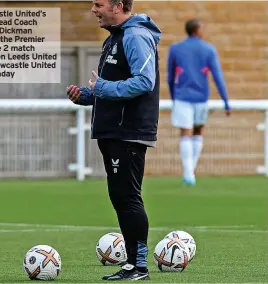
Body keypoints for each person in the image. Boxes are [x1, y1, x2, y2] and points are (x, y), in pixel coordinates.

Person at [67, 0, 161, 281]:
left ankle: (139, 266)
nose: (93, 10)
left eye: (98, 4)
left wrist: (103, 88)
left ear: (118, 5)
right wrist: (86, 95)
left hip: (128, 131)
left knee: (128, 197)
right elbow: (109, 88)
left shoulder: (135, 36)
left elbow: (145, 81)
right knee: (120, 196)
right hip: (113, 131)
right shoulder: (115, 38)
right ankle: (134, 264)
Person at [167, 19, 231, 186]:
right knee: (197, 132)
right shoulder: (208, 49)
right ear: (198, 30)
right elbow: (218, 76)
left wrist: (174, 97)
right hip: (201, 98)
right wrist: (226, 101)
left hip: (182, 96)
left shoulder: (176, 48)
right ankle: (189, 173)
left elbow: (169, 76)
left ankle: (189, 173)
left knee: (185, 133)